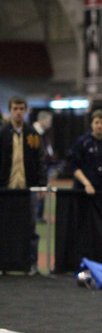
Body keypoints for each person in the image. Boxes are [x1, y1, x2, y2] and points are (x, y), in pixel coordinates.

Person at [0, 97, 45, 273]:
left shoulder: (32, 133)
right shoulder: (3, 133)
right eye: (15, 108)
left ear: (25, 111)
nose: (18, 112)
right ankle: (4, 264)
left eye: (21, 109)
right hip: (6, 188)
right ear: (10, 110)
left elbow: (40, 159)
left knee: (31, 227)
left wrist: (41, 184)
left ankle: (31, 264)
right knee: (5, 226)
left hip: (28, 188)